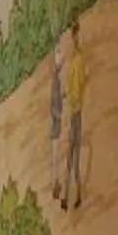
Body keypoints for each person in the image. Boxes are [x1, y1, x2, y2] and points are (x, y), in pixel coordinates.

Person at [59, 15, 88, 214]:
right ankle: (70, 196)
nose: (73, 39)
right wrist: (66, 94)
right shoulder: (74, 60)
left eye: (74, 35)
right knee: (71, 157)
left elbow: (78, 86)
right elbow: (71, 85)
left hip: (76, 113)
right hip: (73, 112)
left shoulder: (79, 60)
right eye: (72, 35)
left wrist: (74, 100)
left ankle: (73, 196)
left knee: (73, 157)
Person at [48, 26, 66, 190]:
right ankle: (55, 182)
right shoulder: (55, 77)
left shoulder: (57, 77)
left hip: (56, 119)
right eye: (59, 54)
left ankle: (56, 181)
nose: (62, 57)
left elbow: (57, 97)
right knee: (55, 153)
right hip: (56, 120)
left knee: (57, 152)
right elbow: (53, 101)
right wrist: (58, 114)